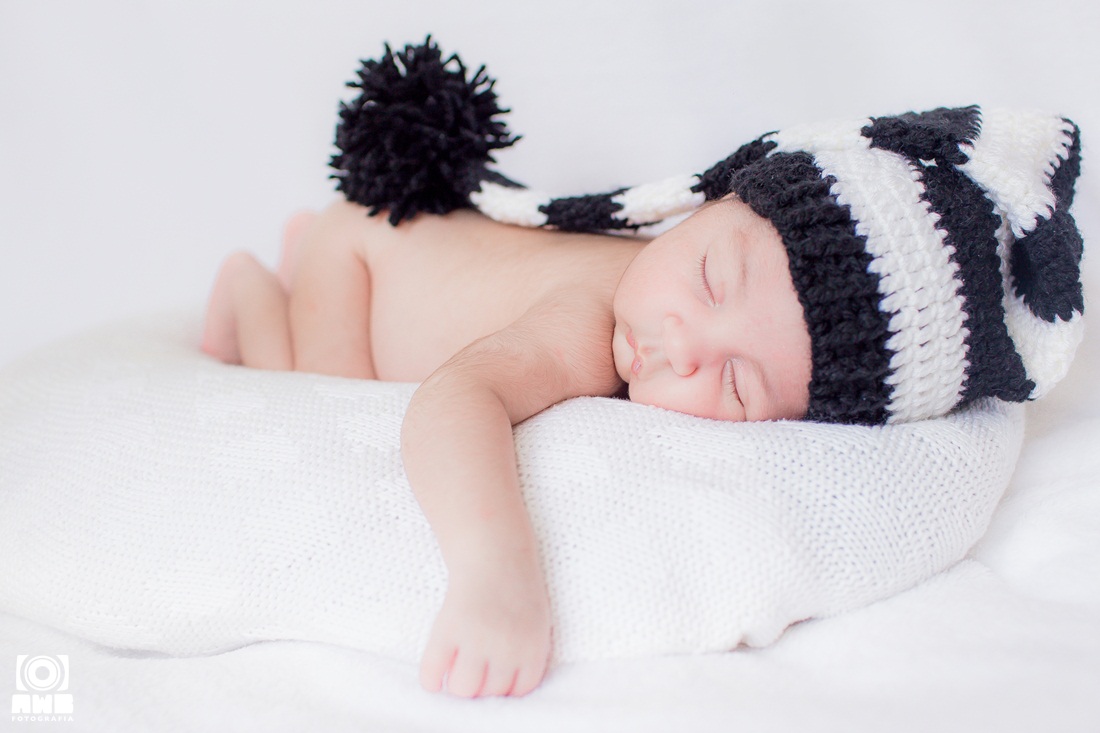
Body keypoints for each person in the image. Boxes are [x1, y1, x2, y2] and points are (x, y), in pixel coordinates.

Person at [200, 39, 1085, 700]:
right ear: (706, 207)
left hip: (404, 246)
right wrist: (495, 573)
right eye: (708, 279)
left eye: (736, 384)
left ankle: (298, 250)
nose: (683, 345)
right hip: (365, 261)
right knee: (327, 397)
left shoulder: (676, 303)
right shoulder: (590, 318)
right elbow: (455, 396)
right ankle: (259, 285)